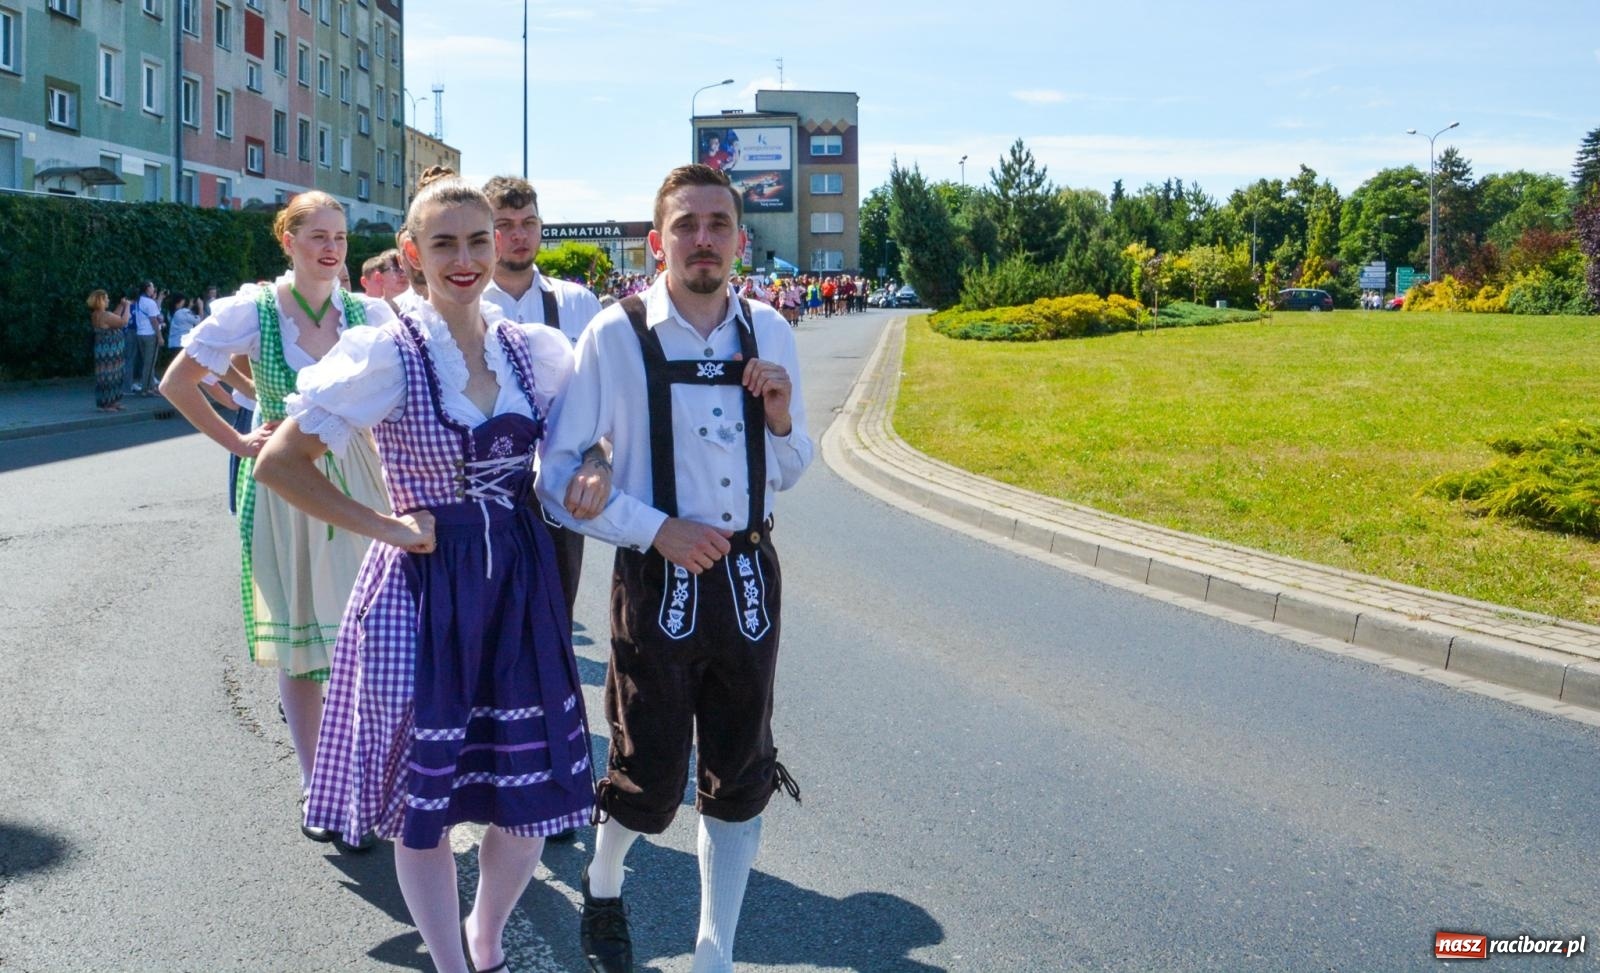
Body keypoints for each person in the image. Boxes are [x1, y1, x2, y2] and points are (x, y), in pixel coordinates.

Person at [254, 167, 607, 973]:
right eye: (443, 243)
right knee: (430, 805)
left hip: (518, 584)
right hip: (423, 589)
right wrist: (382, 524)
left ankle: (487, 936)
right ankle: (453, 963)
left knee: (525, 802)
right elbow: (281, 460)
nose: (465, 258)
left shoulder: (533, 350)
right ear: (411, 252)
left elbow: (593, 434)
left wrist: (597, 462)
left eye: (478, 241)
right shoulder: (388, 351)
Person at [538, 164, 812, 973]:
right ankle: (606, 875)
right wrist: (653, 528)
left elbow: (794, 466)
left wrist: (783, 416)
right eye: (686, 225)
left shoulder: (771, 329)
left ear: (738, 239)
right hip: (658, 586)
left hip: (751, 580)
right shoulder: (615, 334)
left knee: (740, 770)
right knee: (650, 778)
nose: (703, 239)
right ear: (658, 242)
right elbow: (554, 476)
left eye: (718, 224)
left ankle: (713, 948)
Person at [159, 191, 397, 848]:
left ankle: (358, 779)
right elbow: (178, 381)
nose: (331, 248)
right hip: (286, 489)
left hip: (359, 481)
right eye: (317, 235)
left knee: (365, 637)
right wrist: (238, 442)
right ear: (287, 240)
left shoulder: (368, 312)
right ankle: (319, 784)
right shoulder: (256, 310)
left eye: (340, 237)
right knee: (301, 641)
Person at [86, 289, 130, 412]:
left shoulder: (98, 314)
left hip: (107, 351)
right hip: (110, 353)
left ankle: (112, 401)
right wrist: (127, 307)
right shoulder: (104, 315)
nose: (108, 300)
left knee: (110, 376)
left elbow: (114, 317)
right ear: (101, 301)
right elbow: (122, 322)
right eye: (106, 298)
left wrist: (121, 305)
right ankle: (106, 404)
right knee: (110, 376)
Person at [131, 281, 165, 396]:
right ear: (147, 289)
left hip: (140, 333)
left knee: (146, 362)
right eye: (152, 286)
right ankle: (145, 389)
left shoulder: (138, 301)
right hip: (150, 334)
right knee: (149, 363)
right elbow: (154, 320)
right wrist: (160, 337)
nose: (154, 288)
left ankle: (150, 387)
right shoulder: (150, 302)